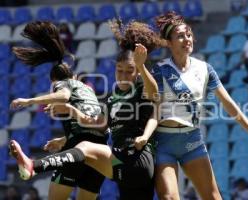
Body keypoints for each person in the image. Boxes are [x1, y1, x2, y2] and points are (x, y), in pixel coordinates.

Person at [9, 19, 162, 200]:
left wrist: (142, 66)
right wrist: (68, 129)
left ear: (137, 72)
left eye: (129, 70)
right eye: (119, 70)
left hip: (136, 159)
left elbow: (154, 93)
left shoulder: (140, 86)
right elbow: (98, 125)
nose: (123, 76)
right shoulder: (113, 98)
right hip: (123, 164)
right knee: (85, 152)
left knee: (85, 147)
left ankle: (34, 166)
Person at [151, 11, 248, 200]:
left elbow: (229, 104)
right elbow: (151, 109)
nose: (187, 39)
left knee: (213, 197)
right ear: (169, 43)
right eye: (180, 36)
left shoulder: (205, 69)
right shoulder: (159, 70)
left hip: (192, 141)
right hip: (164, 143)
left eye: (188, 34)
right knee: (169, 197)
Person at [10, 21, 107, 200]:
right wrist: (64, 139)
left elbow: (63, 96)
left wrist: (29, 100)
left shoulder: (62, 84)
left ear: (54, 81)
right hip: (100, 147)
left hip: (80, 146)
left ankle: (32, 166)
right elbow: (90, 125)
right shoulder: (88, 90)